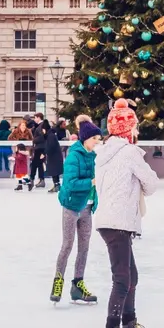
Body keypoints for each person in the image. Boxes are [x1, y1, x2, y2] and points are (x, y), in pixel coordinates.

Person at [94, 99, 160, 328]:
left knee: (131, 275)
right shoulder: (130, 152)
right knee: (122, 279)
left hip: (108, 219)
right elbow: (152, 184)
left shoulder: (103, 153)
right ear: (128, 128)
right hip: (119, 220)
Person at [53, 121, 101, 305]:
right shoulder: (74, 156)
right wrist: (92, 182)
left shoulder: (93, 155)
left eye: (98, 138)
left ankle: (77, 285)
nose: (97, 142)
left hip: (87, 208)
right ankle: (58, 283)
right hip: (72, 206)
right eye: (94, 139)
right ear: (85, 138)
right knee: (67, 245)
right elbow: (70, 183)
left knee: (84, 247)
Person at [42, 117, 65, 193]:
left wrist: (44, 153)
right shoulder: (50, 135)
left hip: (54, 157)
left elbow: (50, 146)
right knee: (54, 172)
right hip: (55, 156)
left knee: (54, 171)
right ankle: (57, 185)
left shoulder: (50, 136)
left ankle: (57, 185)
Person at [29, 113, 48, 188]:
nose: (34, 119)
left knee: (34, 164)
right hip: (40, 148)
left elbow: (42, 137)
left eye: (35, 118)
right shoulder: (40, 126)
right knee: (39, 165)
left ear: (39, 118)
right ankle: (41, 180)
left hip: (40, 148)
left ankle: (32, 179)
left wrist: (34, 140)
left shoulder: (42, 126)